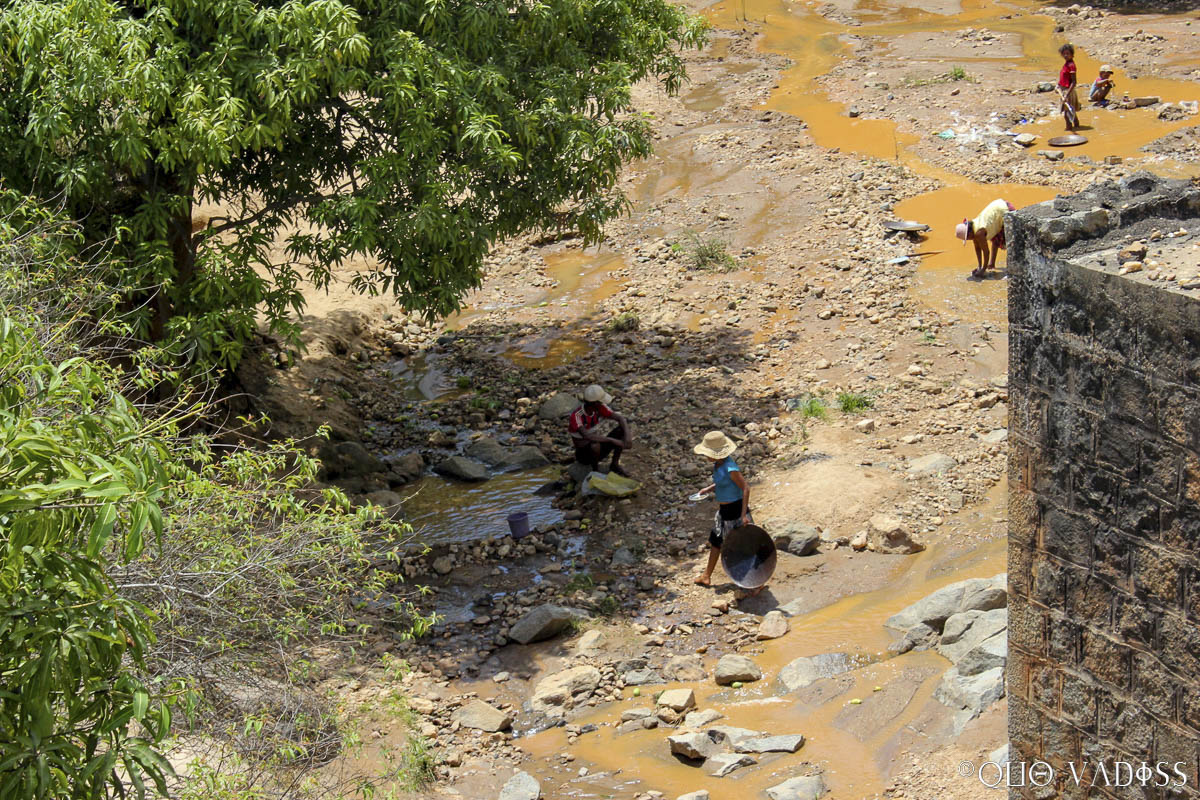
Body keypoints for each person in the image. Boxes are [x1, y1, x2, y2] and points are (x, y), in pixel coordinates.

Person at [692, 431, 752, 588]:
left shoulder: (731, 468)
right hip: (724, 512)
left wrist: (743, 515)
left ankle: (752, 581)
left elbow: (745, 488)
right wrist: (708, 489)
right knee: (716, 541)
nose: (706, 456)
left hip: (736, 511)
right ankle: (706, 576)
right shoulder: (718, 465)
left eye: (707, 453)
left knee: (739, 546)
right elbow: (722, 482)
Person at [568, 384, 632, 477]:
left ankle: (614, 464)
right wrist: (612, 440)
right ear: (595, 403)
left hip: (599, 450)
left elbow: (620, 418)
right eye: (600, 402)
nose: (602, 404)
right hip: (584, 455)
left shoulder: (599, 408)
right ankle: (595, 470)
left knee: (621, 430)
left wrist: (628, 438)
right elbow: (588, 436)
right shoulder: (577, 416)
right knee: (595, 445)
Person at [956, 199, 1016, 279]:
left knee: (1009, 241)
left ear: (969, 234)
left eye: (967, 239)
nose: (969, 240)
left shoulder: (979, 233)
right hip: (999, 206)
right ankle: (992, 264)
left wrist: (983, 270)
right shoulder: (974, 227)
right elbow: (977, 248)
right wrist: (979, 266)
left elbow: (986, 252)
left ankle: (1014, 270)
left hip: (1006, 210)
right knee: (995, 239)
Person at [1058, 43, 1080, 131]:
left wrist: (1066, 95)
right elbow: (1063, 77)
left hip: (1068, 91)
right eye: (1064, 54)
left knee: (1066, 113)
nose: (1066, 55)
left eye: (1068, 53)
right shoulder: (1067, 64)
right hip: (1064, 89)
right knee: (1071, 110)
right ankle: (1077, 125)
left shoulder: (1071, 65)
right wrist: (1058, 85)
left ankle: (1068, 129)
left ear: (1072, 54)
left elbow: (1074, 82)